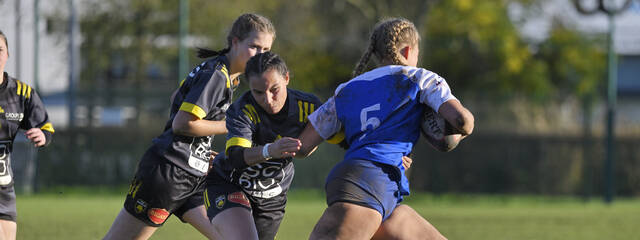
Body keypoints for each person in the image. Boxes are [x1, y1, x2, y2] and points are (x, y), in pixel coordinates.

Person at [296, 18, 475, 240]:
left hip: (366, 181)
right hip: (372, 183)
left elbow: (302, 147)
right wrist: (465, 127)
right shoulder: (420, 78)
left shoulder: (346, 89)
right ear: (409, 50)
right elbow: (461, 120)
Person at [102, 13, 275, 240]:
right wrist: (229, 125)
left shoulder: (225, 74)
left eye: (266, 50)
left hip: (194, 176)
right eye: (255, 47)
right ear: (235, 42)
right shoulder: (217, 74)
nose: (260, 55)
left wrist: (199, 150)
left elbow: (177, 97)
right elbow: (182, 123)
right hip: (169, 173)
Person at [0, 30, 54, 240]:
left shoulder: (21, 93)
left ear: (8, 54)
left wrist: (42, 135)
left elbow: (46, 127)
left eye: (0, 50)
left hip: (2, 186)